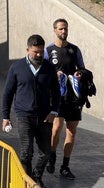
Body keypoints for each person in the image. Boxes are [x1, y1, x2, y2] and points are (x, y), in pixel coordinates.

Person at [1, 34, 60, 188]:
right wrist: (5, 116)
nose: (39, 55)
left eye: (41, 51)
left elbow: (56, 92)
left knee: (46, 152)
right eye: (35, 52)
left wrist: (54, 111)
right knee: (26, 152)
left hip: (44, 117)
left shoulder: (48, 68)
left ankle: (35, 176)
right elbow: (7, 93)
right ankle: (25, 183)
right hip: (24, 116)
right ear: (27, 50)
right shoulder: (17, 67)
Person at [44, 18, 85, 180]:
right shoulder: (48, 50)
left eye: (66, 29)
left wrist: (79, 74)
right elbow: (42, 72)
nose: (64, 31)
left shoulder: (74, 50)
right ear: (54, 30)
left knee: (72, 132)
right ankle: (52, 155)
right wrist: (54, 75)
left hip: (73, 98)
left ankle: (65, 166)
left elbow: (83, 69)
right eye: (61, 29)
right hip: (56, 96)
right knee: (56, 128)